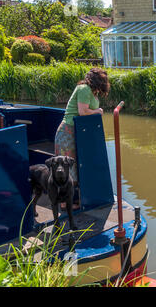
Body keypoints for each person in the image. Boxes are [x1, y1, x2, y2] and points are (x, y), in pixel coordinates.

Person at [54, 68, 110, 209]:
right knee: (67, 168)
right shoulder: (84, 88)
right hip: (68, 132)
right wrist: (98, 111)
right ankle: (64, 203)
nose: (105, 82)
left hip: (77, 132)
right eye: (103, 79)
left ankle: (74, 199)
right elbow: (82, 111)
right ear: (97, 79)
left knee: (76, 167)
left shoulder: (91, 91)